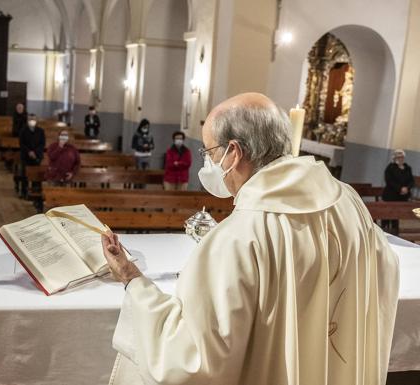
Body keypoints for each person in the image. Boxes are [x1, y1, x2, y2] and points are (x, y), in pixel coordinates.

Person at [102, 93, 399, 385]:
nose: (208, 164)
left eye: (210, 153)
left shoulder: (238, 238)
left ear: (233, 152)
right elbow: (384, 272)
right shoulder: (348, 200)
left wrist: (132, 280)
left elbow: (194, 362)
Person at [382, 149, 414, 235]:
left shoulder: (407, 168)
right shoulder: (390, 168)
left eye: (402, 157)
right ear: (395, 158)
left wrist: (407, 188)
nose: (400, 159)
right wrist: (400, 189)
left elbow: (411, 181)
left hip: (402, 197)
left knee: (396, 216)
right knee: (387, 214)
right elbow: (389, 181)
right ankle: (384, 231)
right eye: (398, 157)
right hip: (391, 195)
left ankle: (395, 232)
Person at [18, 114, 45, 198]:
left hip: (37, 156)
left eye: (33, 119)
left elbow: (42, 143)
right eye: (30, 119)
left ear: (36, 121)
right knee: (25, 174)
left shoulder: (40, 131)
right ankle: (24, 191)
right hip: (26, 156)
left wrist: (35, 152)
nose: (32, 121)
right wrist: (29, 152)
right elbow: (21, 143)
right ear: (28, 120)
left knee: (36, 174)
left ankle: (35, 191)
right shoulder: (23, 130)